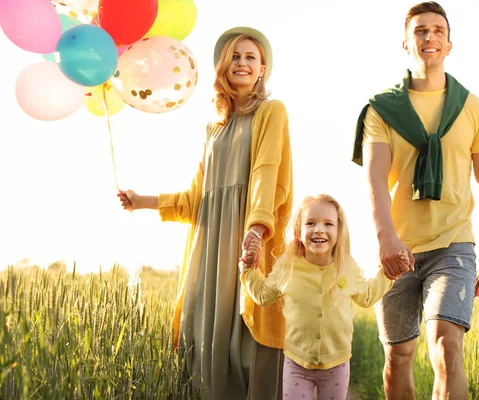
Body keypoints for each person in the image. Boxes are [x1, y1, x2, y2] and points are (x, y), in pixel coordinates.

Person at [117, 26, 293, 400]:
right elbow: (197, 199)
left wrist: (257, 230)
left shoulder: (270, 112)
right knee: (199, 324)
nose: (241, 63)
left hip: (246, 237)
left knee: (247, 329)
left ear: (263, 69)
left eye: (250, 57)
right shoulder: (213, 127)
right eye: (234, 56)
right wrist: (141, 200)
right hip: (208, 242)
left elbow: (267, 173)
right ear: (222, 66)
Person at [351, 2, 479, 399]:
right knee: (399, 354)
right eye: (420, 31)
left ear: (449, 44)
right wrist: (386, 239)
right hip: (397, 248)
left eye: (437, 30)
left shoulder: (475, 109)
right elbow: (374, 179)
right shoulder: (381, 109)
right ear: (405, 44)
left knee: (446, 344)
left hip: (454, 245)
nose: (429, 37)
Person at [239, 194, 409, 400]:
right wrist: (248, 269)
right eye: (310, 223)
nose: (319, 229)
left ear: (339, 232)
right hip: (297, 362)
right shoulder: (288, 266)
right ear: (299, 232)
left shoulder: (346, 267)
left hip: (336, 364)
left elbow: (367, 297)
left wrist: (389, 274)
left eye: (328, 224)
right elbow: (263, 295)